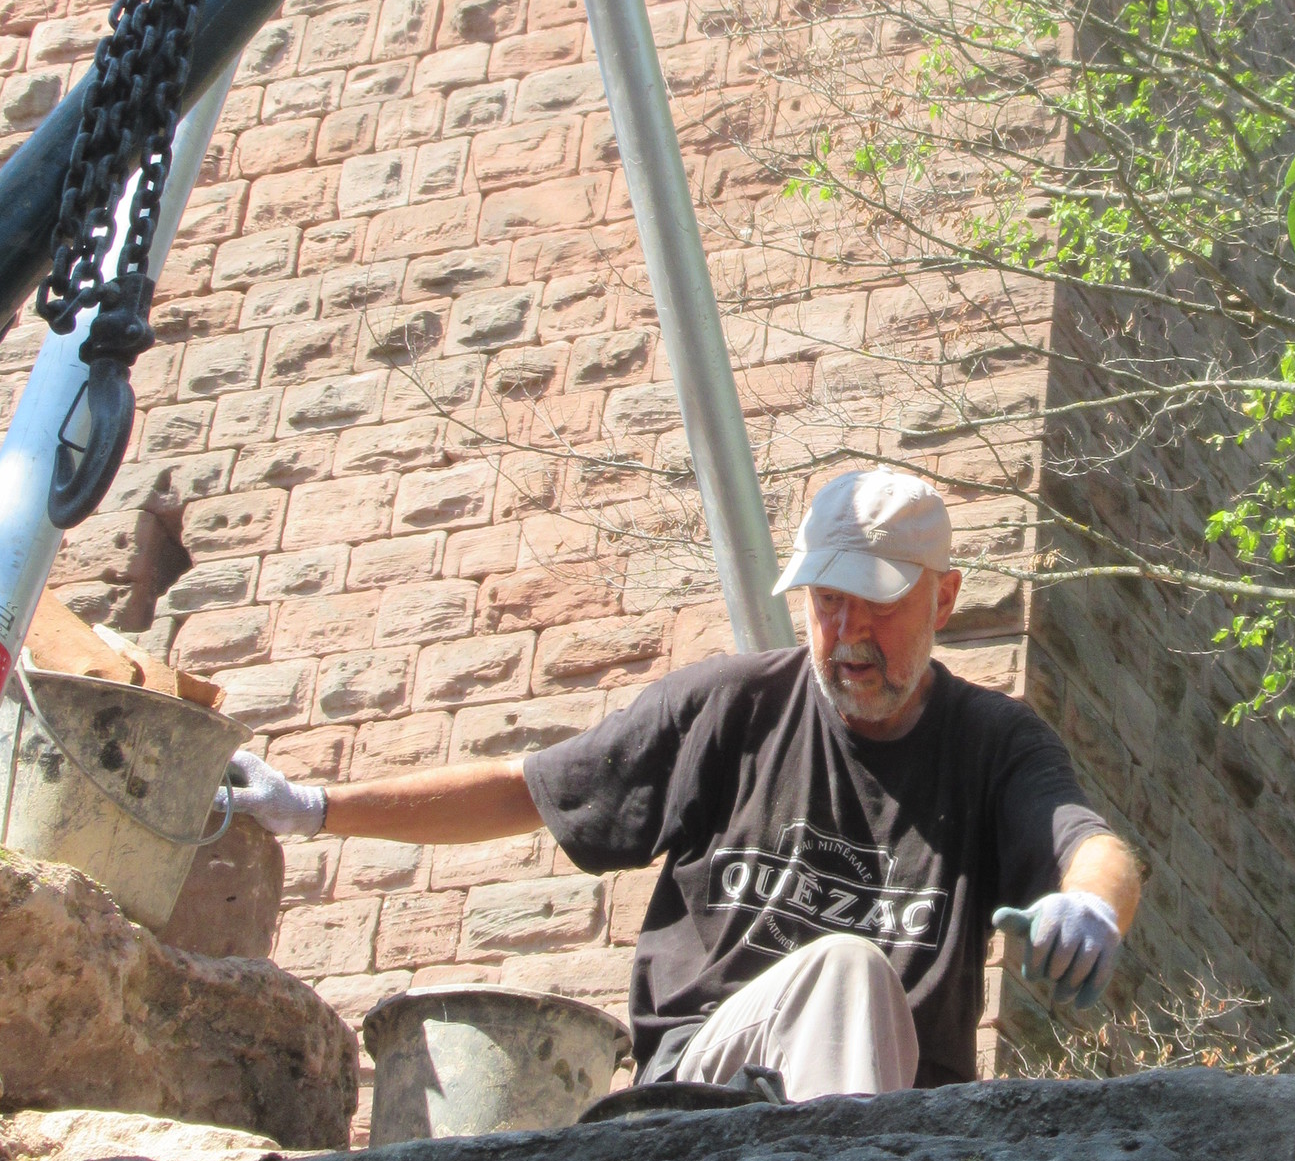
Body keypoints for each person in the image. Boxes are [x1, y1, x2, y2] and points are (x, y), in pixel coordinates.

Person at [229, 466, 1141, 1104]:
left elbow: (1091, 846)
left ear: (943, 598)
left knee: (856, 989)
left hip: (904, 1118)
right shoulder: (731, 708)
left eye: (878, 602)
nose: (849, 632)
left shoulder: (991, 744)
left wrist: (1092, 908)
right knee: (848, 973)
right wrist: (313, 810)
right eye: (828, 600)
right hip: (701, 1094)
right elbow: (524, 788)